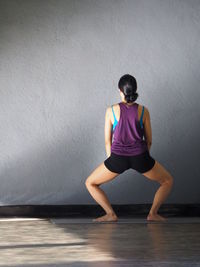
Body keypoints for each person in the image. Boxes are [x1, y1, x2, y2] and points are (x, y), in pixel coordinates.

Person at [85, 74, 174, 222]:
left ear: (120, 91)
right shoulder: (144, 111)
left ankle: (110, 214)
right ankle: (152, 213)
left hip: (117, 158)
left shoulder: (111, 110)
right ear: (135, 90)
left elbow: (108, 141)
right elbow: (149, 140)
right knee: (167, 181)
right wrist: (144, 158)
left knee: (90, 183)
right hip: (140, 156)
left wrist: (111, 161)